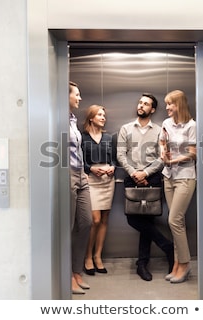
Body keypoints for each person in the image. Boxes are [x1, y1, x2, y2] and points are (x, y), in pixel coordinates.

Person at [116, 93, 174, 281]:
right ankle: (167, 247)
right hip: (132, 178)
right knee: (134, 220)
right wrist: (134, 173)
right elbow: (121, 155)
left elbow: (162, 156)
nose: (141, 106)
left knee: (147, 222)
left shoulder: (159, 130)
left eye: (146, 104)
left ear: (153, 109)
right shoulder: (126, 128)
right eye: (140, 102)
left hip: (152, 179)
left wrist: (146, 173)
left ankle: (142, 263)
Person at [159, 90, 196, 284]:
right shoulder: (166, 124)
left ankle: (185, 263)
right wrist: (162, 153)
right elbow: (162, 142)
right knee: (176, 223)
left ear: (179, 104)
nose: (167, 108)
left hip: (185, 177)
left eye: (170, 104)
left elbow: (193, 153)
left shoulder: (191, 126)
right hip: (168, 177)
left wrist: (174, 161)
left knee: (174, 220)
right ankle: (177, 265)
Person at [81, 105, 116, 275]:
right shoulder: (83, 138)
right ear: (91, 118)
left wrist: (112, 168)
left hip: (108, 181)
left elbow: (115, 159)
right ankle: (87, 257)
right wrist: (90, 169)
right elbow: (79, 161)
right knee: (94, 220)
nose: (103, 117)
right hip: (92, 181)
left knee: (104, 219)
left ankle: (97, 256)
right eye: (99, 114)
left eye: (104, 114)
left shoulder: (109, 138)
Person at [68, 81, 93, 294]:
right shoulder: (58, 120)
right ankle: (67, 275)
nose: (80, 98)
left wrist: (84, 171)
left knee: (86, 222)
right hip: (66, 175)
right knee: (66, 227)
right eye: (77, 94)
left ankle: (77, 272)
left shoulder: (73, 120)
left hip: (80, 174)